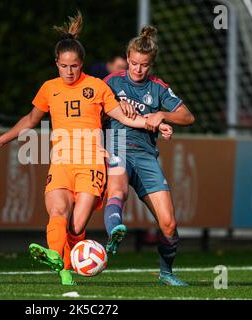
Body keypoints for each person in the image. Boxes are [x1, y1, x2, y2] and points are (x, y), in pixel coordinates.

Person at [0, 13, 173, 286]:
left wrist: (156, 123)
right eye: (63, 66)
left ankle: (67, 259)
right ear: (57, 64)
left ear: (81, 64)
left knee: (77, 226)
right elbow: (30, 120)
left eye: (73, 66)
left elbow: (126, 116)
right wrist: (2, 139)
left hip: (91, 164)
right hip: (61, 163)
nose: (68, 71)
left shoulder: (96, 87)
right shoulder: (49, 89)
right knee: (57, 212)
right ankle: (59, 263)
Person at [102, 26, 195, 286]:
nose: (138, 69)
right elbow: (92, 108)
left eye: (144, 65)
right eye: (133, 63)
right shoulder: (111, 82)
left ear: (151, 64)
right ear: (127, 58)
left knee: (169, 224)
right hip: (116, 145)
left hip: (145, 155)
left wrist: (162, 115)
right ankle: (114, 235)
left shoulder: (158, 88)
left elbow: (188, 116)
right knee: (117, 190)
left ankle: (166, 273)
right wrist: (114, 107)